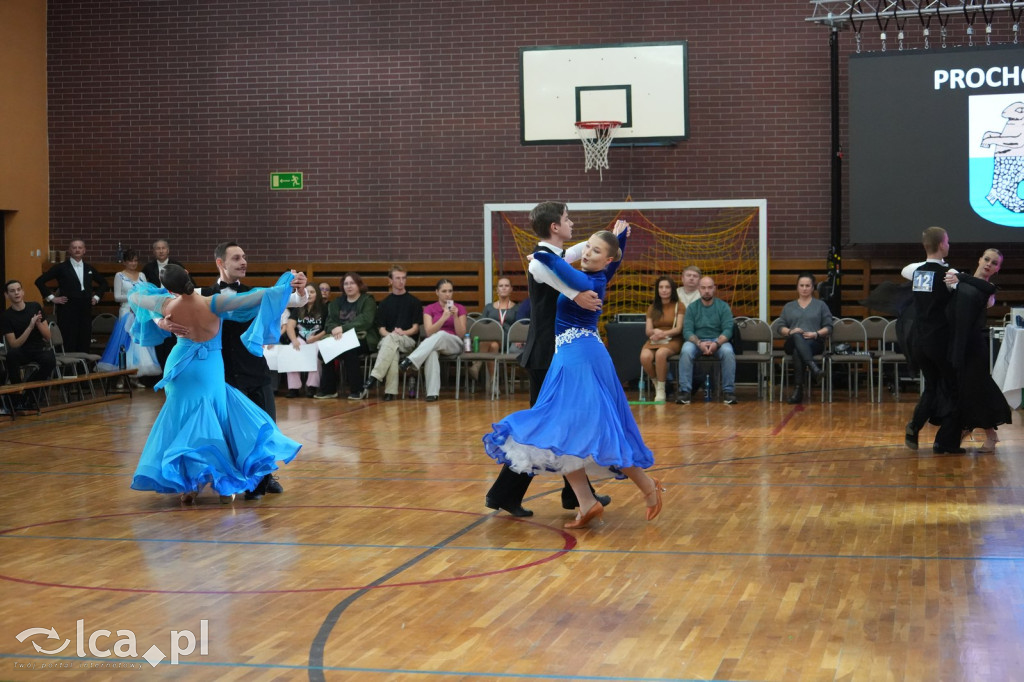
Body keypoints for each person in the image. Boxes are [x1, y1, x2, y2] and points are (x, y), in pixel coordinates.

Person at [483, 226, 663, 529]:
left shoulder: (590, 280)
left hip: (581, 358)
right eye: (587, 247)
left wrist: (541, 254)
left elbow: (560, 266)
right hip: (569, 356)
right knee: (564, 431)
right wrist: (620, 238)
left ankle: (647, 487)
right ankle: (587, 501)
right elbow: (607, 257)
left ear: (606, 261)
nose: (587, 253)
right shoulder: (600, 272)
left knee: (600, 428)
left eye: (594, 251)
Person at [128, 264, 301, 504]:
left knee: (181, 420)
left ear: (168, 288)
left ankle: (188, 487)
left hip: (180, 367)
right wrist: (285, 283)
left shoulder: (165, 305)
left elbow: (136, 295)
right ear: (188, 276)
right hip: (209, 367)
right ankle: (224, 484)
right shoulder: (214, 302)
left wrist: (160, 322)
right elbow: (257, 297)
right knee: (216, 419)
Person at [485, 201, 608, 518]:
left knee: (564, 424)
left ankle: (576, 495)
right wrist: (575, 295)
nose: (571, 223)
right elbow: (548, 271)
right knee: (545, 428)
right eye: (567, 219)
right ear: (555, 226)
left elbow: (581, 250)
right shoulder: (541, 261)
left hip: (555, 354)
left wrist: (613, 234)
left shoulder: (553, 256)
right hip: (545, 355)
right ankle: (505, 493)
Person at [200, 241, 308, 498]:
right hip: (223, 375)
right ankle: (234, 480)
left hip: (256, 370)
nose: (243, 262)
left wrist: (302, 289)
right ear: (220, 263)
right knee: (232, 432)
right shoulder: (202, 294)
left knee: (265, 426)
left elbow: (293, 300)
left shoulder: (256, 293)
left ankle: (264, 477)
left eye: (244, 257)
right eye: (236, 258)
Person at [900, 226, 962, 454]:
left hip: (919, 341)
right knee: (955, 390)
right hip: (939, 341)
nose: (949, 244)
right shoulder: (949, 275)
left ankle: (915, 426)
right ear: (941, 245)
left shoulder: (917, 272)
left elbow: (907, 269)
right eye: (947, 240)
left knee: (932, 388)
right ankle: (944, 442)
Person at [947, 248, 1011, 452]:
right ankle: (968, 427)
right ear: (979, 259)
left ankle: (990, 435)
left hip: (975, 345)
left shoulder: (988, 289)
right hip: (958, 343)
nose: (988, 264)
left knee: (979, 388)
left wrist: (961, 277)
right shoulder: (960, 281)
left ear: (997, 269)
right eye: (986, 259)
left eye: (993, 263)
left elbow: (982, 289)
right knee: (966, 389)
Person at [356, 265, 422, 401]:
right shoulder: (384, 304)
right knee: (393, 350)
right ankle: (390, 392)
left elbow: (415, 328)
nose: (401, 281)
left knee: (392, 342)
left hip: (408, 340)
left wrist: (402, 333)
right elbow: (381, 329)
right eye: (397, 278)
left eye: (404, 278)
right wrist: (392, 335)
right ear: (390, 280)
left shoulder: (414, 302)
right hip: (388, 340)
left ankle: (375, 376)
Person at [96, 249, 161, 381]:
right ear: (125, 262)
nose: (133, 263)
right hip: (126, 311)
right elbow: (117, 297)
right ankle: (121, 376)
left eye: (135, 260)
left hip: (140, 312)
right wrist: (133, 298)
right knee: (125, 343)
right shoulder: (119, 276)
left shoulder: (142, 275)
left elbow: (146, 293)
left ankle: (135, 377)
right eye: (130, 261)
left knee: (139, 344)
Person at [398, 278, 467, 401]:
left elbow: (461, 334)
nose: (447, 294)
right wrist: (443, 318)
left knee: (441, 334)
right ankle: (432, 393)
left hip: (454, 343)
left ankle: (411, 360)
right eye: (444, 291)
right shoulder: (429, 309)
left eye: (450, 291)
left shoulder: (459, 308)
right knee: (432, 352)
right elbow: (429, 332)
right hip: (434, 343)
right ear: (437, 292)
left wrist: (455, 316)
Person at [35, 239, 109, 353]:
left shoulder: (89, 268)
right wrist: (52, 298)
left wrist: (96, 297)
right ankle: (69, 370)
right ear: (69, 250)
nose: (77, 250)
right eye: (74, 247)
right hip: (67, 309)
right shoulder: (61, 267)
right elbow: (39, 281)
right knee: (68, 339)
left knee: (84, 339)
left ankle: (83, 369)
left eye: (80, 247)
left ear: (84, 250)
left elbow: (104, 283)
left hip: (85, 309)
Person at [316, 273, 379, 400]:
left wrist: (343, 329)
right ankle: (329, 390)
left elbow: (365, 321)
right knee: (323, 351)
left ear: (359, 285)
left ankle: (358, 390)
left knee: (350, 351)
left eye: (352, 283)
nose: (349, 286)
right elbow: (329, 322)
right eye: (346, 284)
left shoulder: (368, 300)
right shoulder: (337, 303)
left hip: (363, 339)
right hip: (340, 339)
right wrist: (334, 329)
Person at [675, 276, 738, 405]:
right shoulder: (692, 308)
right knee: (686, 351)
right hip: (697, 341)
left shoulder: (723, 306)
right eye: (703, 288)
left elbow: (728, 330)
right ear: (699, 289)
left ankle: (728, 392)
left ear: (714, 289)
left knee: (728, 352)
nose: (707, 291)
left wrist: (717, 343)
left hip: (718, 340)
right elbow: (687, 331)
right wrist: (699, 343)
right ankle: (685, 392)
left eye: (710, 287)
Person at [777, 272, 832, 404]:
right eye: (801, 285)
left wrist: (816, 334)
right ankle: (814, 368)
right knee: (797, 335)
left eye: (808, 285)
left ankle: (798, 390)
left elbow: (829, 327)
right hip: (791, 340)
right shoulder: (789, 306)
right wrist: (790, 331)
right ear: (797, 287)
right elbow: (779, 327)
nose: (804, 288)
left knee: (798, 351)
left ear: (813, 288)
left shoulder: (820, 305)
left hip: (814, 342)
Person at [142, 239, 191, 369]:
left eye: (163, 248)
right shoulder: (148, 268)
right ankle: (160, 369)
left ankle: (173, 367)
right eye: (158, 248)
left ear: (168, 250)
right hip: (156, 306)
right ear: (154, 251)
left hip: (174, 305)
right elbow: (144, 288)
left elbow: (188, 284)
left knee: (172, 336)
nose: (161, 251)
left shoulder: (177, 265)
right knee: (158, 337)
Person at [2, 280, 56, 395]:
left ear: (23, 292)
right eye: (12, 291)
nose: (16, 293)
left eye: (18, 290)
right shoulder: (6, 316)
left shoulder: (34, 306)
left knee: (50, 359)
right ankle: (16, 394)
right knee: (11, 357)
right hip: (21, 351)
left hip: (38, 349)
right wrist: (30, 327)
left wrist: (38, 324)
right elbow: (14, 344)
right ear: (7, 295)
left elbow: (48, 337)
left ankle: (28, 389)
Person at [640, 276, 684, 402]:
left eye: (667, 287)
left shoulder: (679, 306)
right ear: (657, 290)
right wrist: (655, 332)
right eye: (661, 287)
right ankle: (656, 384)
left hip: (672, 339)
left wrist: (663, 333)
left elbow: (679, 329)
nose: (664, 290)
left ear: (672, 290)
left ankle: (661, 389)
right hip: (655, 339)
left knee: (661, 354)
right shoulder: (652, 307)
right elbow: (648, 330)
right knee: (645, 357)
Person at [282, 284, 327, 398]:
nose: (310, 294)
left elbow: (327, 328)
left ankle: (312, 387)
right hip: (301, 338)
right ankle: (294, 388)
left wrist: (316, 338)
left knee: (317, 353)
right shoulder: (298, 308)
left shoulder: (324, 309)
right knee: (292, 350)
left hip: (317, 338)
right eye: (307, 292)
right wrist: (294, 340)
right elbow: (290, 326)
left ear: (317, 294)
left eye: (312, 292)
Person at [473, 276, 520, 379]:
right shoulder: (489, 307)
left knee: (492, 340)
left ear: (511, 289)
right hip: (490, 340)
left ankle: (477, 364)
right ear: (497, 290)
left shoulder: (516, 308)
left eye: (506, 286)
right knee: (493, 345)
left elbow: (519, 328)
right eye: (501, 286)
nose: (503, 288)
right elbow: (481, 325)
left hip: (506, 340)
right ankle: (493, 383)